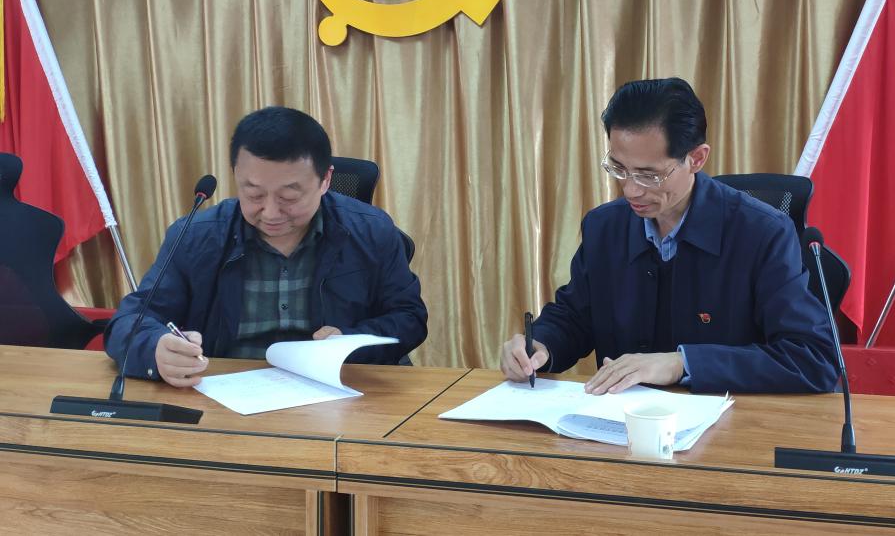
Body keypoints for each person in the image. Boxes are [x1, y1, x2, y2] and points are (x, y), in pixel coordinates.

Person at [500, 78, 838, 394]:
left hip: (729, 423)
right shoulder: (604, 227)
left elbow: (813, 357)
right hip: (621, 422)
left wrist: (682, 363)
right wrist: (540, 345)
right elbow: (575, 317)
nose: (630, 190)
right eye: (619, 168)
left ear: (696, 159)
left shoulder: (763, 233)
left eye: (649, 175)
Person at [105, 107, 427, 386]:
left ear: (326, 180)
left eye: (289, 197)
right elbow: (129, 322)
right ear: (236, 175)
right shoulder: (196, 236)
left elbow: (409, 318)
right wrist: (155, 349)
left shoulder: (371, 231)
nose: (271, 212)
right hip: (226, 396)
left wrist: (350, 342)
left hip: (339, 392)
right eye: (254, 194)